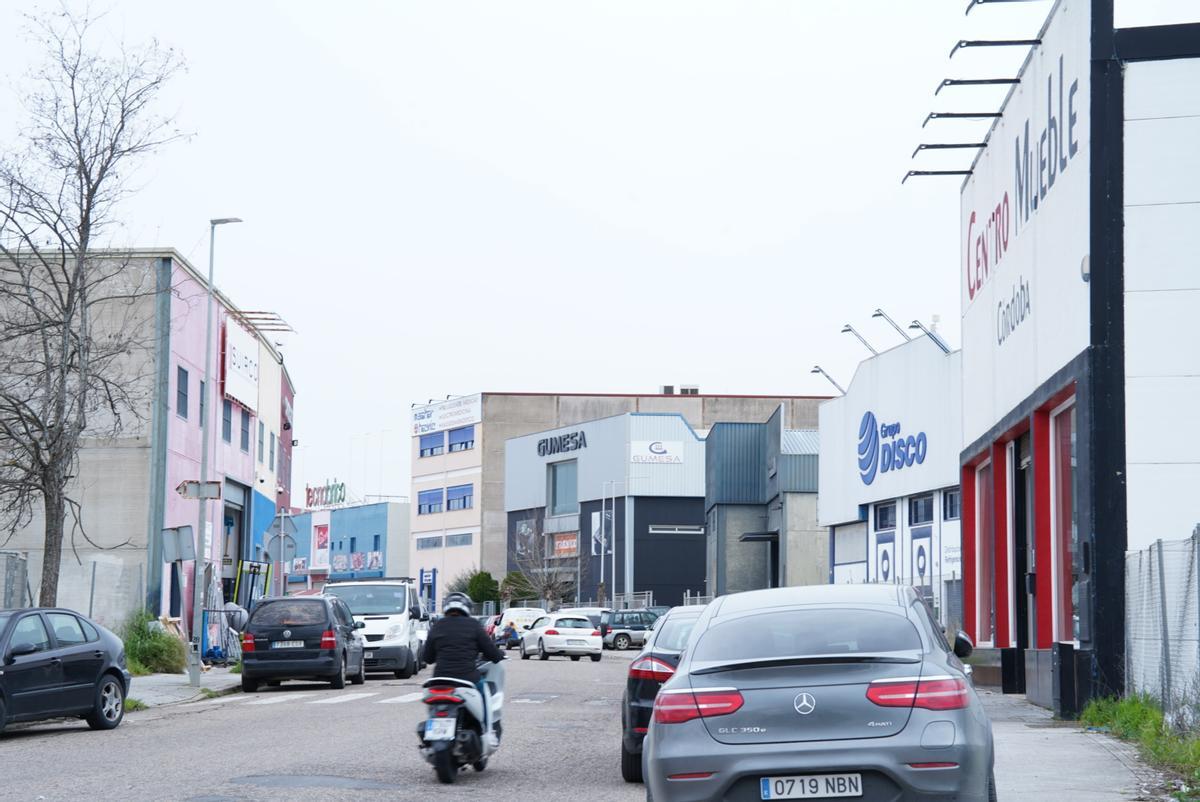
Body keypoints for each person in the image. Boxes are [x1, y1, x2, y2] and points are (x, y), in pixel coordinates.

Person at [423, 592, 504, 743]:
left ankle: (432, 728)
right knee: (485, 694)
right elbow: (491, 652)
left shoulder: (437, 626)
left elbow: (427, 657)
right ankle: (488, 732)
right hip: (467, 678)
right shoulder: (473, 625)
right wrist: (499, 653)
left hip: (439, 680)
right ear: (467, 608)